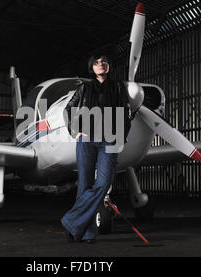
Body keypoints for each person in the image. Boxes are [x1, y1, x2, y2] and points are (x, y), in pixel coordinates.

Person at [61, 54, 133, 244]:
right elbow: (68, 109)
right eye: (96, 63)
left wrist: (122, 135)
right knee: (84, 184)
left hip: (109, 140)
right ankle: (87, 233)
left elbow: (126, 113)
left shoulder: (118, 87)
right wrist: (74, 131)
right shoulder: (84, 88)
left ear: (109, 66)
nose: (101, 65)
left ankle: (71, 222)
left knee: (103, 183)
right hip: (86, 141)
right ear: (91, 68)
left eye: (104, 62)